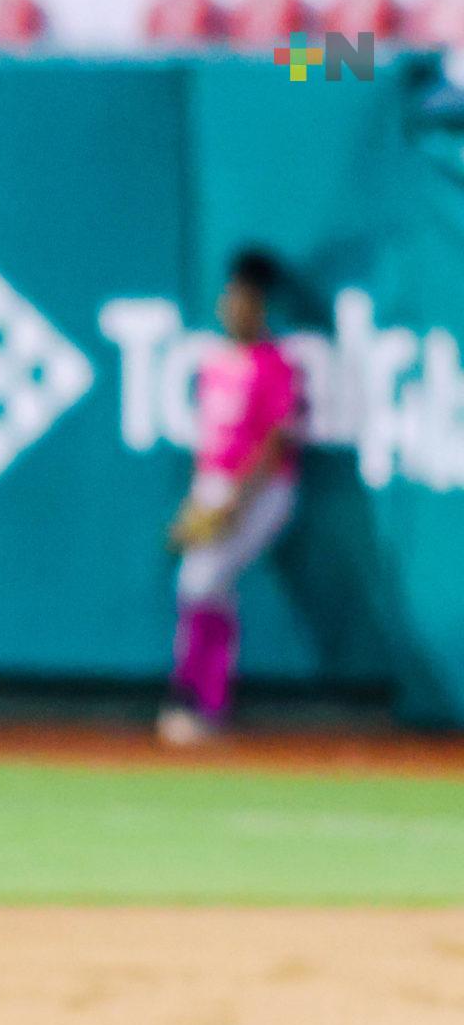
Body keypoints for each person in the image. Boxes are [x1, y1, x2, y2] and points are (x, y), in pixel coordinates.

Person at [162, 247, 302, 747]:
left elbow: (274, 442)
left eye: (242, 300)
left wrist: (235, 504)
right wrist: (196, 506)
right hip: (216, 487)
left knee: (201, 582)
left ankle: (197, 701)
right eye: (228, 298)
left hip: (260, 491)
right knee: (202, 586)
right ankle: (205, 702)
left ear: (258, 306)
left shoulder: (275, 364)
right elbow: (210, 449)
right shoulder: (217, 363)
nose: (231, 307)